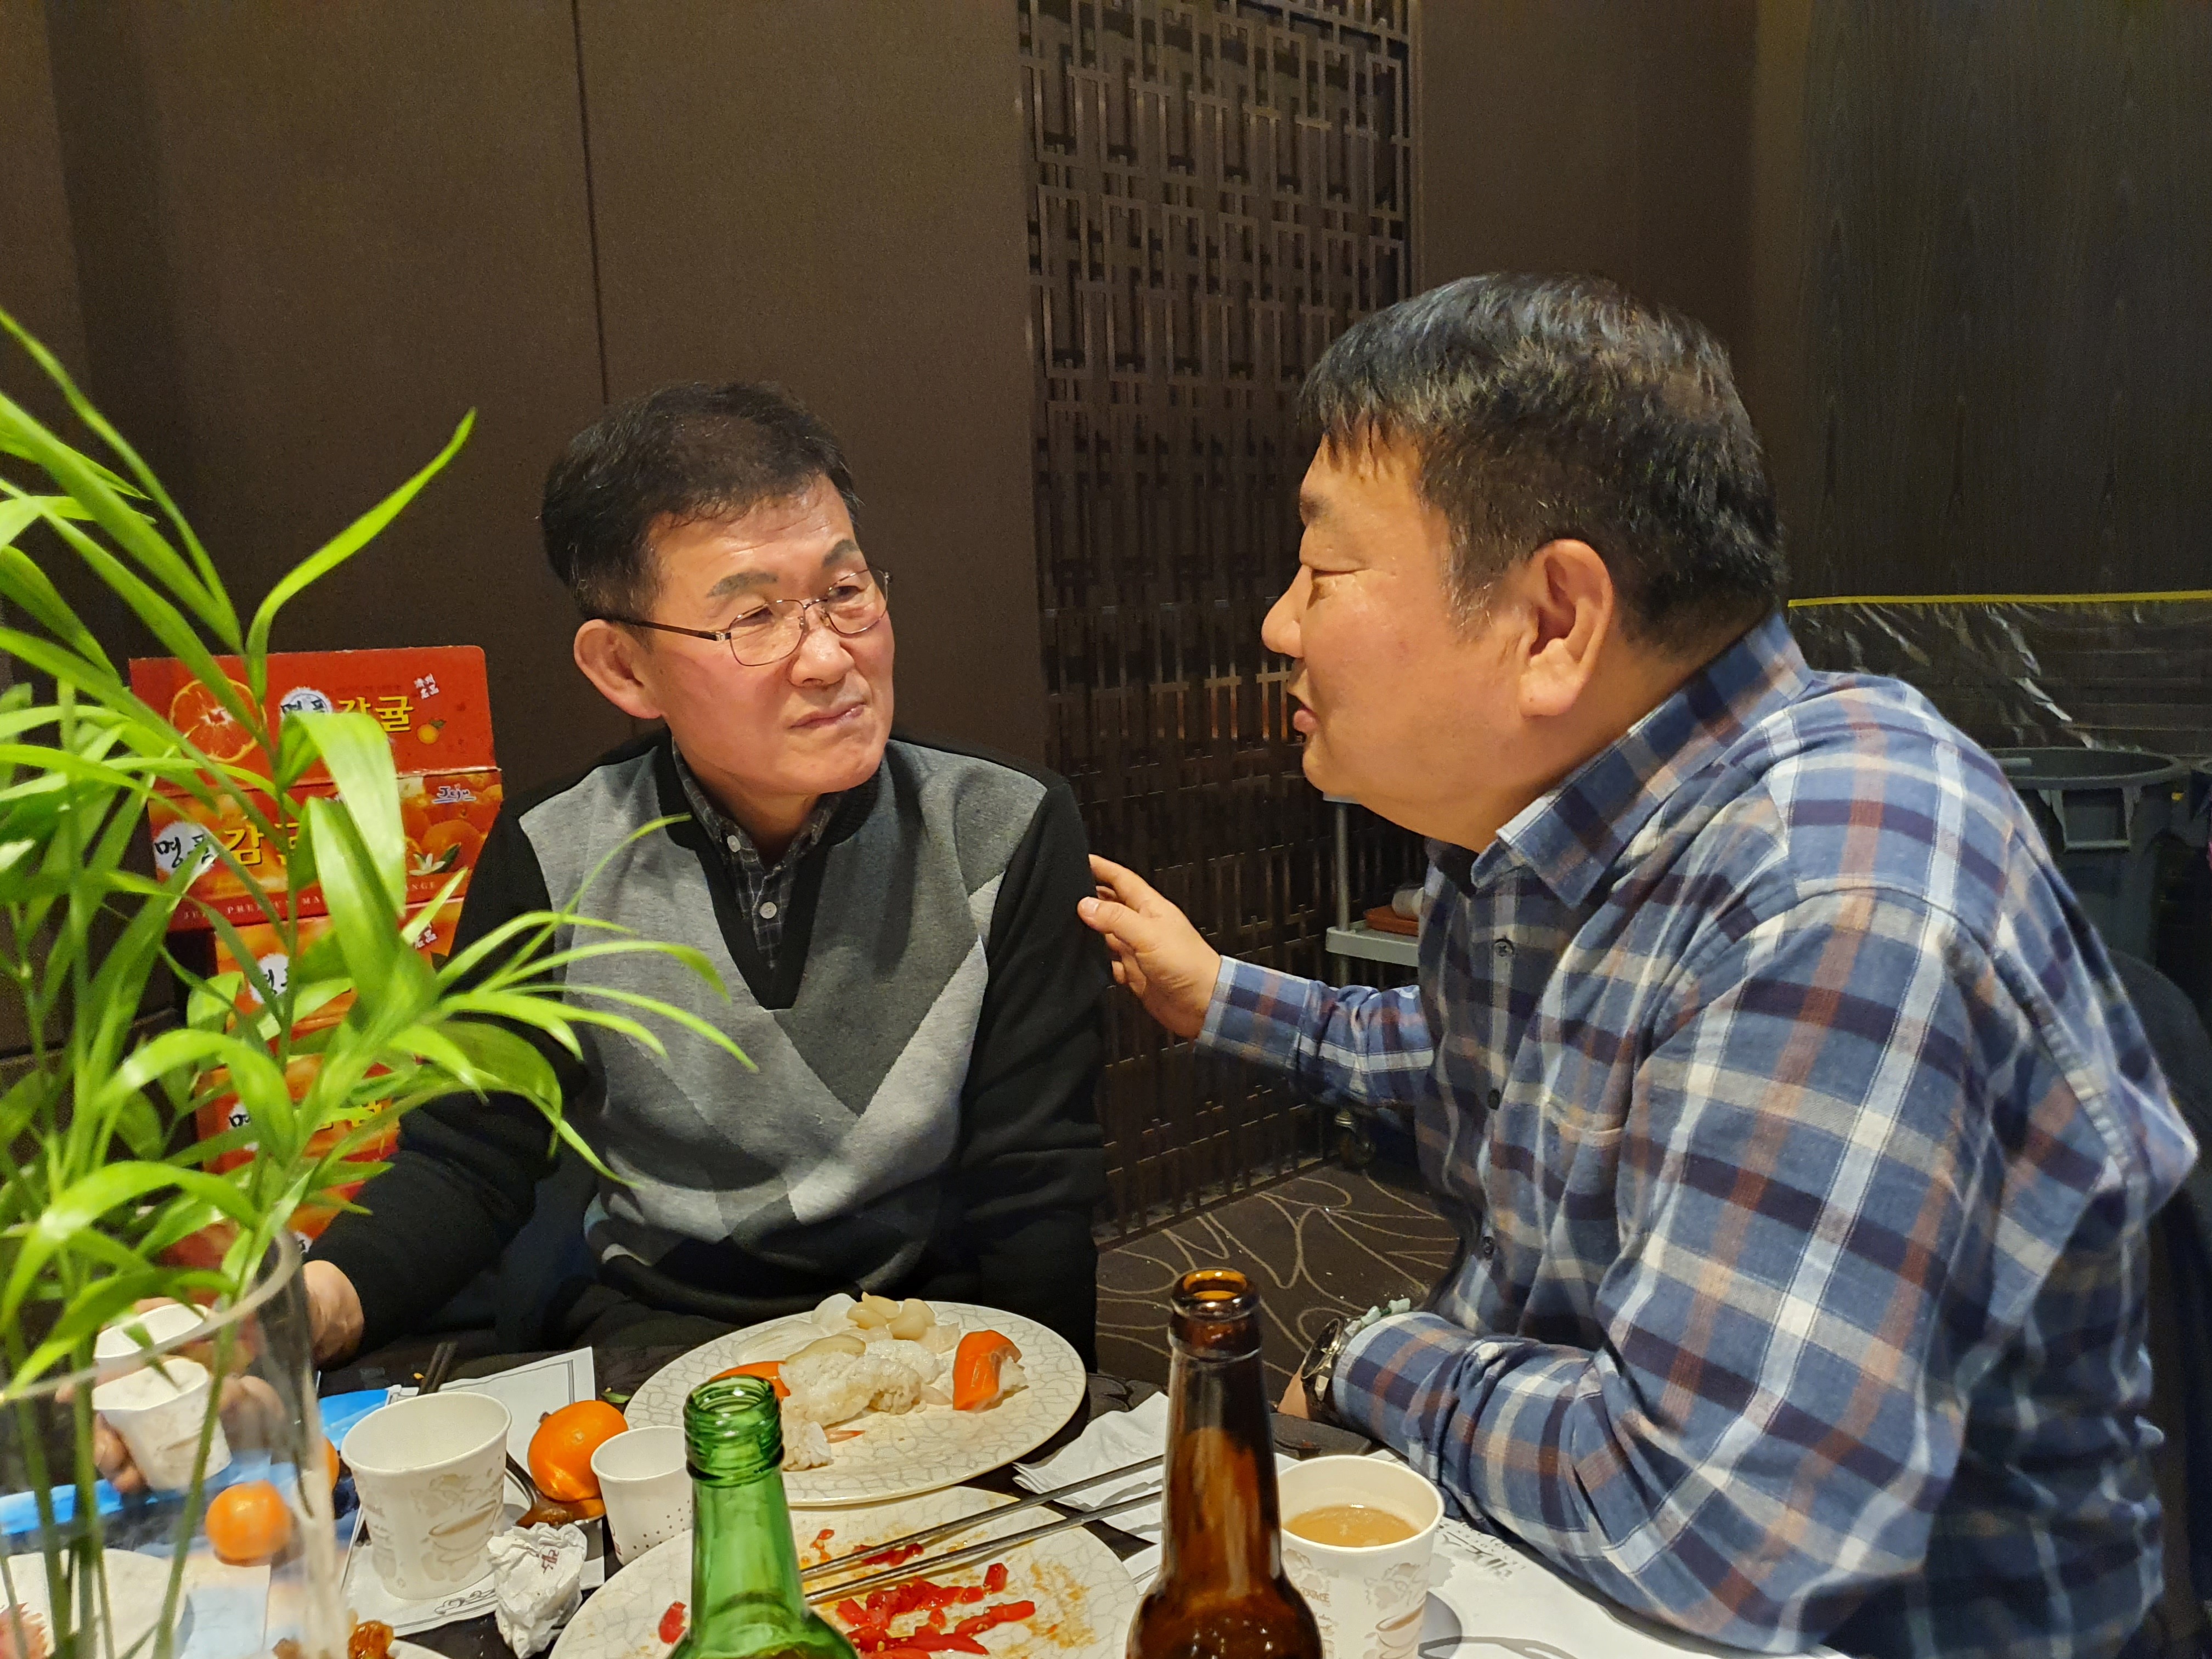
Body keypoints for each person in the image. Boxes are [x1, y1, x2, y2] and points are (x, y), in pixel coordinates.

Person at [1079, 274, 2195, 1658]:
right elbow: (1529, 1072)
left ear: (1553, 621)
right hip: (1578, 1554)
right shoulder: (1563, 823)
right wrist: (1223, 996)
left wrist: (1375, 1358)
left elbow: (1716, 1525)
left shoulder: (1835, 894)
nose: (1278, 625)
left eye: (1322, 571)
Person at [304, 382, 1109, 1367]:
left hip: (921, 1337)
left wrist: (1040, 1410)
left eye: (845, 591)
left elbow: (1036, 1185)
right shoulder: (558, 849)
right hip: (661, 1336)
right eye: (755, 616)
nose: (828, 658)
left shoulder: (1004, 827)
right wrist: (313, 1307)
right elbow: (472, 1156)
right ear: (624, 668)